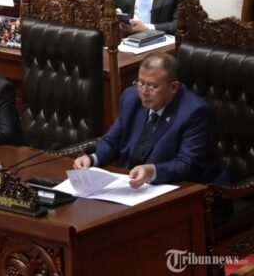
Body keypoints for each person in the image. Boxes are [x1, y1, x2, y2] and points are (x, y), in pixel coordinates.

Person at [73, 53, 225, 187]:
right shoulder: (131, 98)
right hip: (131, 185)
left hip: (181, 189)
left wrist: (152, 171)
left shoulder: (195, 112)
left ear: (173, 87)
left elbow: (187, 164)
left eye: (152, 86)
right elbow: (112, 141)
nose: (144, 92)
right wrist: (92, 158)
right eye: (141, 83)